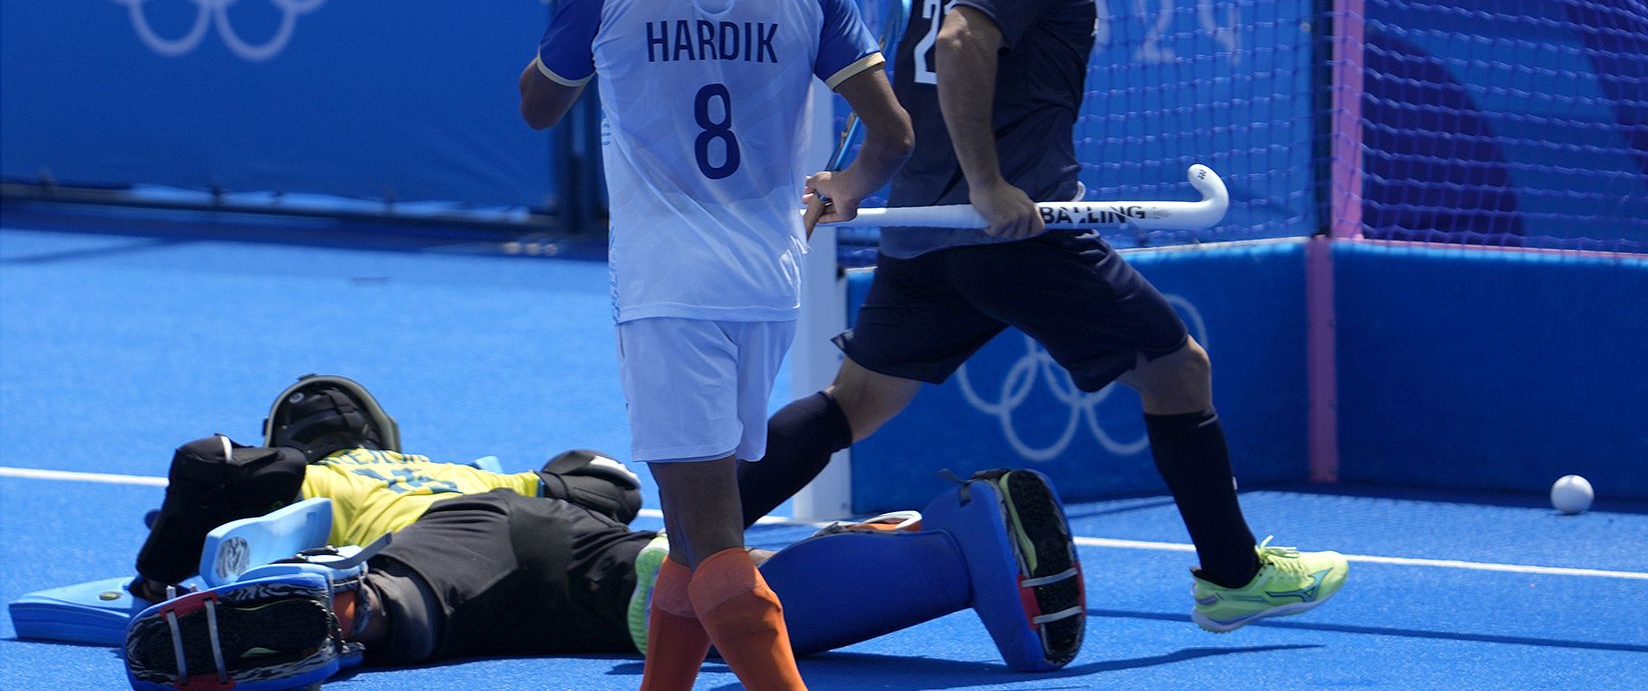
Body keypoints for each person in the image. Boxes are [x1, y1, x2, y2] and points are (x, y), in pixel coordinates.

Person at [736, 0, 1348, 634]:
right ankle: (1235, 577)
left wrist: (859, 176)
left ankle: (690, 544)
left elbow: (910, 76)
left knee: (856, 401)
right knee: (1180, 371)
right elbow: (959, 44)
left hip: (926, 232)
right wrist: (989, 183)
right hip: (1015, 237)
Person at [516, 0, 911, 689]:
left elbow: (539, 105)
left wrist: (580, 34)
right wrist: (843, 190)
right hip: (768, 285)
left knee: (715, 538)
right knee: (691, 534)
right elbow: (893, 134)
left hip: (667, 291)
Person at [107, 375, 1083, 689]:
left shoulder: (321, 475)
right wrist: (546, 482)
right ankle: (952, 554)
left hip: (447, 539)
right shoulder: (466, 465)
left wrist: (159, 570)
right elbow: (608, 484)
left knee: (404, 603)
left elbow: (202, 462)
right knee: (695, 588)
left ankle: (334, 613)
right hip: (547, 522)